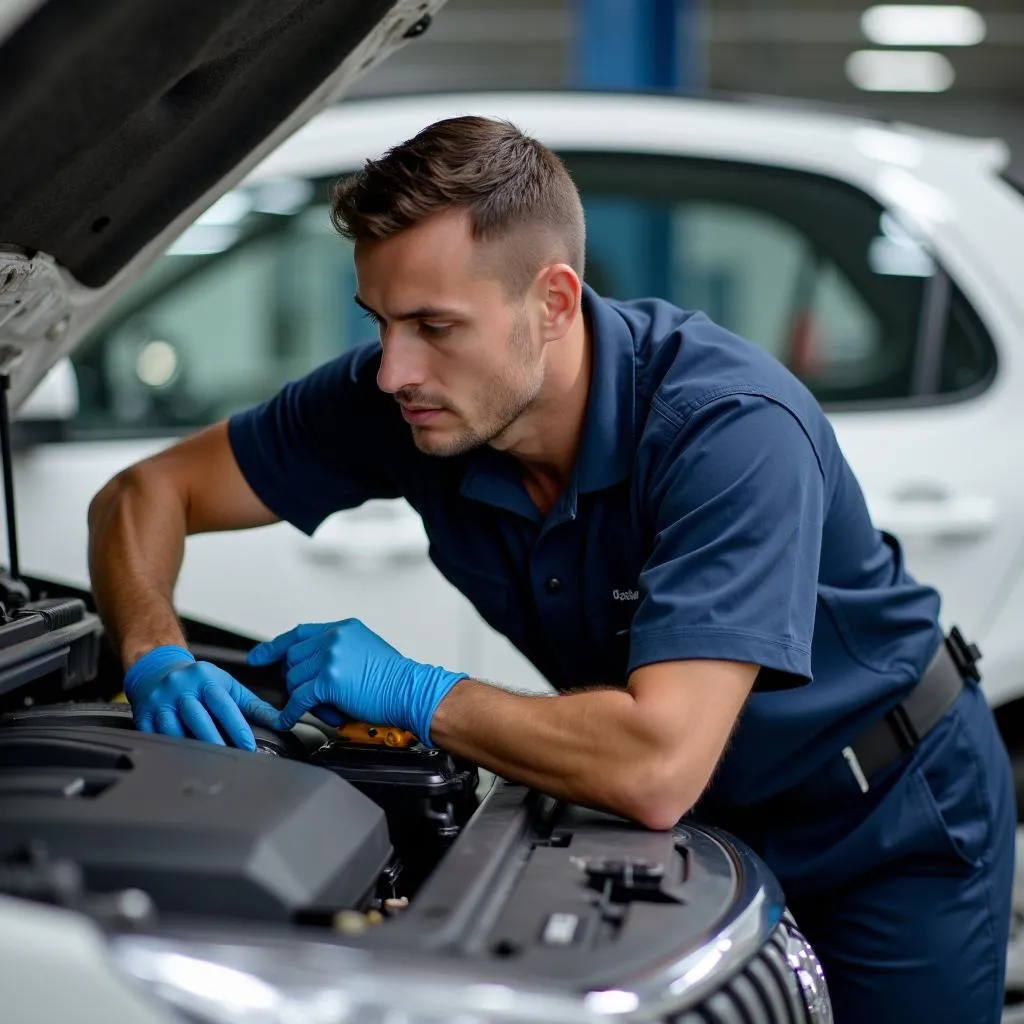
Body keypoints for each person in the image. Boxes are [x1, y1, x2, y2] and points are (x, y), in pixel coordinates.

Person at [87, 115, 1014, 1022]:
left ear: (555, 302)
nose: (392, 369)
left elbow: (655, 765)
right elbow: (142, 494)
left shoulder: (728, 430)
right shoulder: (407, 401)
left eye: (434, 325)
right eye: (380, 322)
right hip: (703, 825)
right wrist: (153, 650)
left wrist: (413, 690)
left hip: (884, 817)